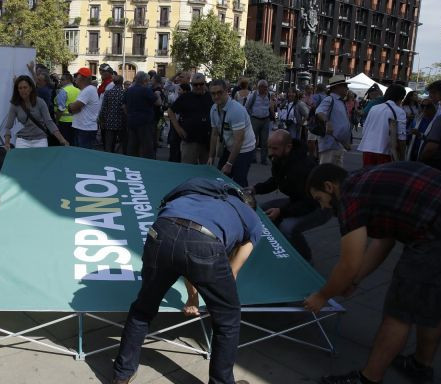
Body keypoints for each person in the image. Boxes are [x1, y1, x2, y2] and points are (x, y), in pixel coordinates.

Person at [303, 162, 441, 384]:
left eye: (320, 200)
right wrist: (356, 279)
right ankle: (420, 366)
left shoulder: (349, 196)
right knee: (435, 304)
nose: (324, 208)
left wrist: (322, 296)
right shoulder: (365, 180)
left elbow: (348, 264)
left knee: (398, 313)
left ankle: (368, 379)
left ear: (329, 187)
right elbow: (385, 240)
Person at [112, 178, 262, 384]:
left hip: (162, 230)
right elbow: (231, 272)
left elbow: (182, 254)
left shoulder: (203, 192)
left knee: (142, 309)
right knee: (228, 320)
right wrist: (211, 298)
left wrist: (193, 297)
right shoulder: (252, 220)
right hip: (205, 242)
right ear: (250, 208)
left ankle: (122, 375)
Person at [252, 130, 330, 261]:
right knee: (261, 209)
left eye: (275, 148)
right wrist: (255, 189)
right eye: (269, 148)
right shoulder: (281, 158)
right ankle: (281, 248)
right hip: (298, 200)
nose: (270, 153)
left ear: (288, 147)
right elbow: (276, 180)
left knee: (288, 227)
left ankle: (305, 260)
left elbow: (308, 203)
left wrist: (281, 211)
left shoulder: (303, 167)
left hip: (319, 206)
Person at [208, 79, 256, 187]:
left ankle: (245, 202)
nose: (216, 96)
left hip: (245, 149)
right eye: (213, 93)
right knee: (220, 178)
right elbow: (214, 134)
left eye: (219, 92)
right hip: (229, 146)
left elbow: (239, 140)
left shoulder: (236, 110)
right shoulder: (213, 109)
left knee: (239, 181)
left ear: (226, 91)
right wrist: (211, 156)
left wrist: (229, 163)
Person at [3, 76, 69, 149]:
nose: (22, 90)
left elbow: (49, 122)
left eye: (25, 87)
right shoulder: (15, 104)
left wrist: (62, 139)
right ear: (17, 90)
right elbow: (8, 126)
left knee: (41, 160)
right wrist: (7, 143)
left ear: (31, 88)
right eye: (20, 88)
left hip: (40, 140)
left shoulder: (40, 102)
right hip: (22, 140)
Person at [357, 84, 407, 166]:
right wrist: (402, 156)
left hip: (368, 148)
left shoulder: (374, 108)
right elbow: (401, 137)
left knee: (368, 176)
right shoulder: (399, 111)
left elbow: (365, 128)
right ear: (401, 97)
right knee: (382, 177)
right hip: (385, 151)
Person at [169, 73, 213, 164]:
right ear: (191, 85)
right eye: (195, 84)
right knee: (187, 168)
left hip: (207, 140)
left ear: (204, 83)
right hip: (190, 139)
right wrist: (178, 129)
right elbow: (170, 111)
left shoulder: (211, 97)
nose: (198, 87)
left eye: (201, 84)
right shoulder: (185, 97)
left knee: (206, 170)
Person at [315, 75, 352, 166]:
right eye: (345, 86)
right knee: (326, 174)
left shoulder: (340, 101)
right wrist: (327, 122)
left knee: (335, 176)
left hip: (337, 145)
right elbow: (319, 111)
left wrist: (344, 143)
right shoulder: (329, 99)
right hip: (329, 146)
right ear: (337, 87)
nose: (347, 88)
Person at [123, 71, 160, 158]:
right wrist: (157, 94)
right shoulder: (146, 90)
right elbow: (158, 103)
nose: (149, 83)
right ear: (145, 81)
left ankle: (132, 165)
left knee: (132, 145)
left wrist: (129, 115)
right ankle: (147, 166)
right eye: (148, 81)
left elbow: (124, 106)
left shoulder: (129, 90)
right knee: (147, 147)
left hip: (132, 120)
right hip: (144, 122)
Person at [244, 80, 276, 165]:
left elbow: (271, 106)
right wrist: (251, 116)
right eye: (263, 87)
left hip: (265, 120)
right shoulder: (253, 95)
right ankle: (253, 158)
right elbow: (247, 106)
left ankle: (263, 159)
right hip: (255, 119)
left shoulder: (269, 95)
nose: (265, 89)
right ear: (259, 87)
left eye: (266, 87)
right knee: (254, 140)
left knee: (264, 141)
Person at [68, 67, 100, 149]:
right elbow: (76, 108)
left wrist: (71, 106)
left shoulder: (88, 90)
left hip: (85, 129)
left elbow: (74, 107)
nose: (75, 79)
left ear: (81, 78)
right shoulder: (86, 90)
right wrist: (73, 107)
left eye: (76, 77)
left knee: (84, 156)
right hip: (83, 128)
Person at [99, 75, 127, 153]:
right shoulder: (125, 93)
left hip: (109, 122)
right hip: (122, 122)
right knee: (122, 143)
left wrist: (102, 121)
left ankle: (108, 158)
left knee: (109, 144)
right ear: (122, 82)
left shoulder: (108, 93)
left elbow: (103, 108)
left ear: (114, 82)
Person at [54, 73, 79, 146]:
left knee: (65, 143)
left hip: (64, 122)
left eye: (62, 80)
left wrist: (56, 120)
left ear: (68, 80)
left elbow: (61, 108)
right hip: (75, 120)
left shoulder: (63, 91)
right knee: (73, 142)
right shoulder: (78, 90)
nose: (60, 81)